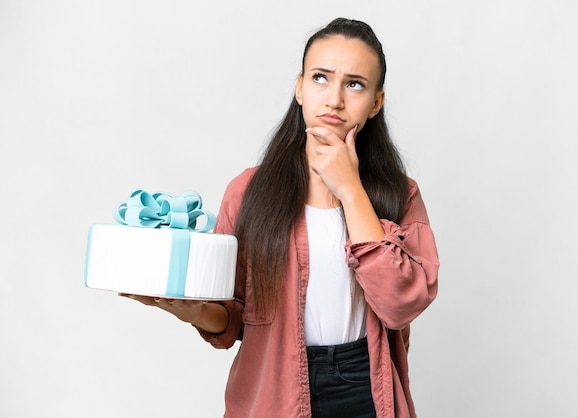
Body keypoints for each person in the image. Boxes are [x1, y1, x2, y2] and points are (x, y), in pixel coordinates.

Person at [124, 17, 439, 418]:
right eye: (321, 78)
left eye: (355, 84)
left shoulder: (400, 193)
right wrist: (192, 311)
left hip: (365, 388)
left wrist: (350, 190)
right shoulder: (250, 191)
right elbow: (232, 317)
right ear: (300, 88)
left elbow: (399, 304)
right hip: (274, 386)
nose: (335, 99)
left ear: (376, 101)